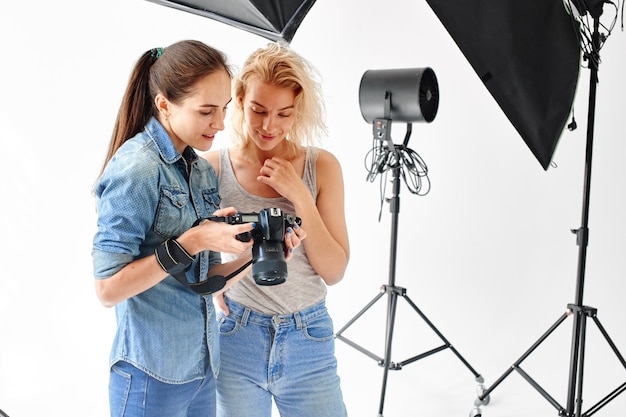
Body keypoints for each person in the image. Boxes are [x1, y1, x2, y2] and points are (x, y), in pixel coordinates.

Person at [91, 40, 303, 417]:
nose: (220, 124)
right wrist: (193, 239)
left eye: (222, 110)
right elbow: (108, 289)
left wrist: (260, 252)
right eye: (207, 111)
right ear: (164, 104)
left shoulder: (201, 171)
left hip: (203, 371)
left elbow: (205, 281)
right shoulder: (137, 170)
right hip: (149, 376)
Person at [202, 42, 350, 417]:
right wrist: (214, 283)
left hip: (309, 337)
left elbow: (334, 271)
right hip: (239, 335)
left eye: (284, 114)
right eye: (258, 110)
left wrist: (299, 195)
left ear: (297, 110)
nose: (270, 126)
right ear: (238, 99)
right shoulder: (214, 168)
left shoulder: (322, 167)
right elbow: (194, 254)